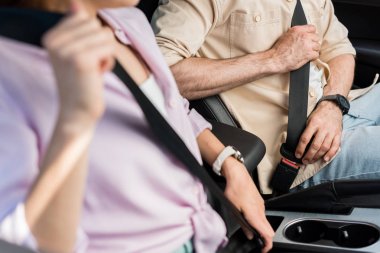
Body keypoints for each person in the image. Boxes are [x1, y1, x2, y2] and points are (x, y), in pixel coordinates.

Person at [0, 0, 276, 252]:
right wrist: (75, 122)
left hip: (205, 232)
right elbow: (27, 241)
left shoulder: (127, 21)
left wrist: (230, 164)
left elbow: (170, 108)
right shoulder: (9, 71)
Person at [152, 0, 380, 194]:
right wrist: (274, 59)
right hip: (297, 155)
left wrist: (332, 105)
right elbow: (158, 74)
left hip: (335, 109)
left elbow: (340, 49)